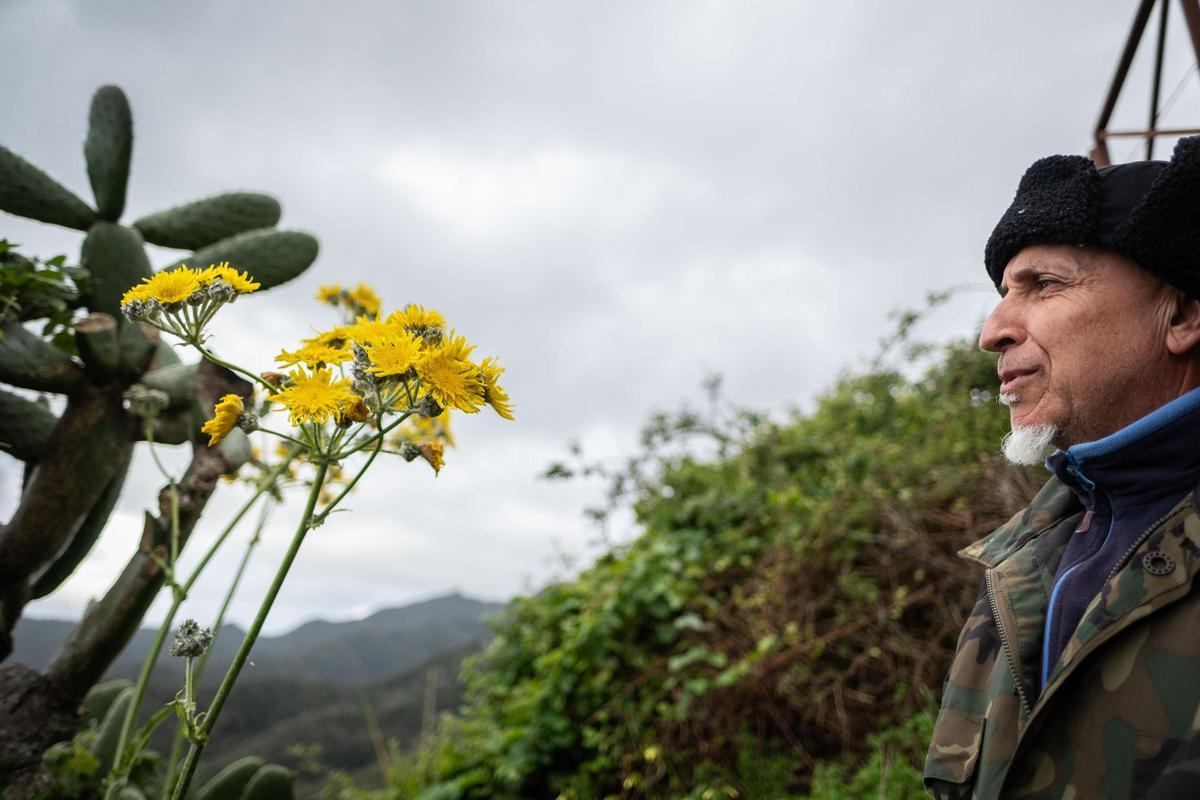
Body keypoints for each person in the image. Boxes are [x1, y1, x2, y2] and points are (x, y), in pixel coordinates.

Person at [924, 136, 1200, 800]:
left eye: (1043, 285)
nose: (991, 332)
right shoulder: (1015, 563)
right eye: (1003, 293)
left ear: (1183, 314)